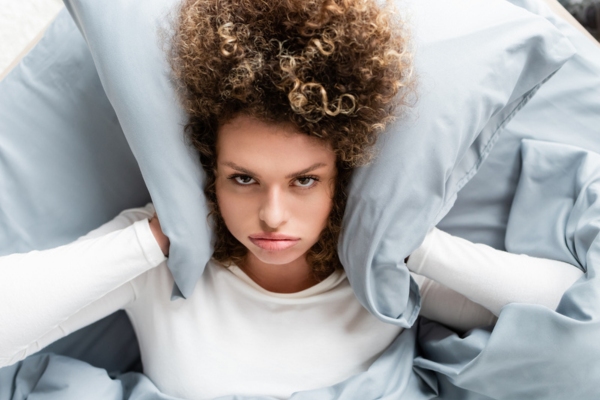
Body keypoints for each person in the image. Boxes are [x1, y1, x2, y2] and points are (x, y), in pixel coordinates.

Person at [0, 0, 584, 398]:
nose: (272, 216)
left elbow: (574, 321)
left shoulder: (383, 275)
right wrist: (151, 239)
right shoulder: (162, 271)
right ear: (210, 172)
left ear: (340, 178)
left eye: (304, 181)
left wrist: (411, 246)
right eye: (244, 179)